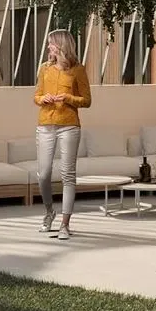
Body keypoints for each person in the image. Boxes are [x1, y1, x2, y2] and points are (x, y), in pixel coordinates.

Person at [34, 29, 90, 236]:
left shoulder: (78, 70)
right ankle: (49, 212)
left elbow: (87, 100)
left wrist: (68, 98)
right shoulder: (44, 68)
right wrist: (43, 99)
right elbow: (36, 96)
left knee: (68, 175)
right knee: (44, 174)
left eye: (51, 43)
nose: (48, 46)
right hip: (45, 125)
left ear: (61, 46)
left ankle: (65, 224)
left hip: (69, 126)